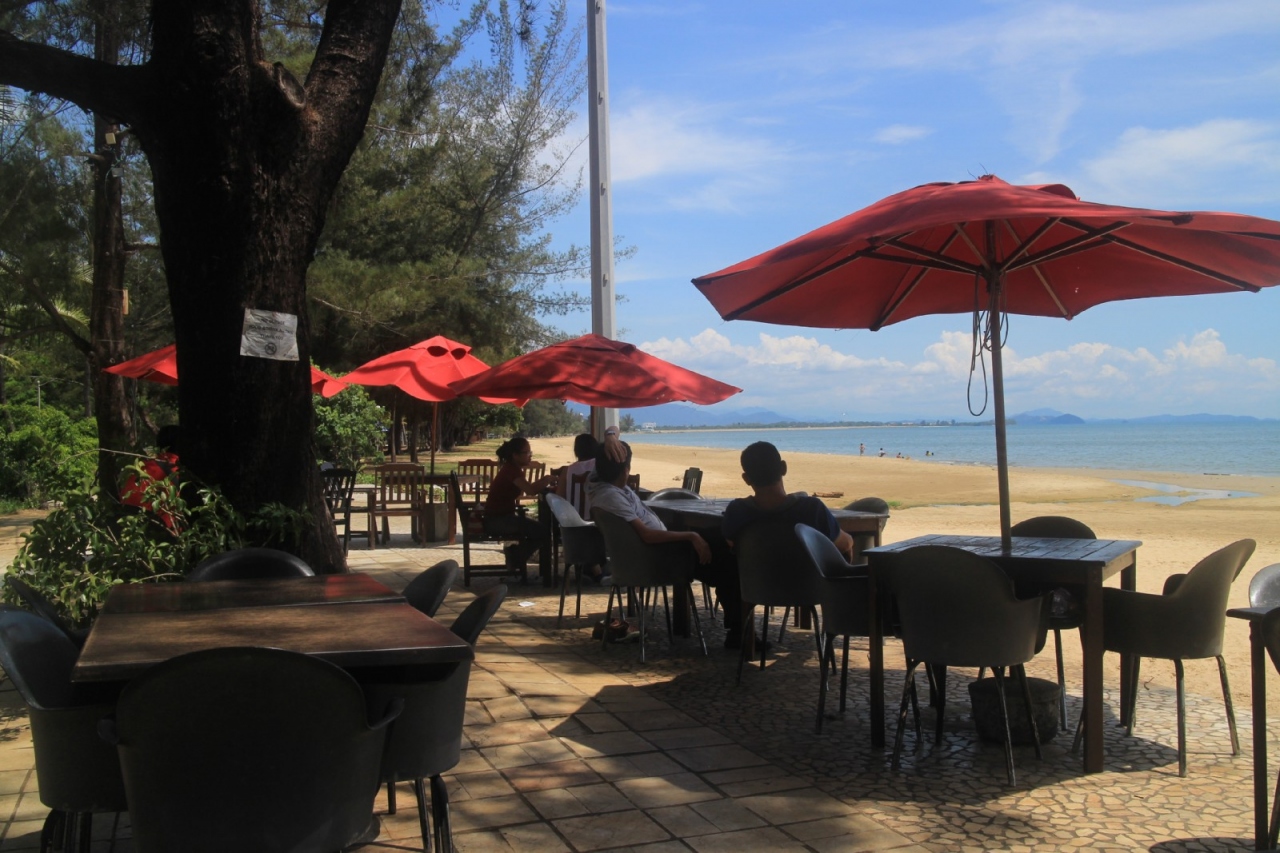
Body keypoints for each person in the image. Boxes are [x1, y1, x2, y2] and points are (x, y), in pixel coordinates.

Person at [587, 439, 743, 646]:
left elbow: (599, 467)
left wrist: (609, 438)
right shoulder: (610, 496)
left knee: (721, 543)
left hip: (657, 553)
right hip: (659, 559)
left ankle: (738, 627)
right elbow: (647, 535)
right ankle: (740, 631)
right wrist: (691, 536)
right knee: (727, 556)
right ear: (626, 469)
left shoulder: (598, 486)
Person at [722, 441, 855, 560]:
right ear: (783, 468)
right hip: (807, 580)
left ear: (746, 479)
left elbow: (731, 542)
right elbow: (844, 545)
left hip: (754, 580)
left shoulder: (736, 511)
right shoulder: (811, 509)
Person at [484, 436, 556, 580]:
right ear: (515, 455)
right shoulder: (512, 471)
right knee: (543, 531)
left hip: (502, 517)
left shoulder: (512, 469)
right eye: (527, 452)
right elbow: (530, 490)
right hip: (497, 520)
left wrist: (545, 480)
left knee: (539, 530)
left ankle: (515, 555)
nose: (530, 456)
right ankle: (515, 556)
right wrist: (547, 479)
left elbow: (529, 488)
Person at [555, 433, 599, 516]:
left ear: (577, 450)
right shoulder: (600, 467)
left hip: (573, 521)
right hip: (596, 521)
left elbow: (559, 497)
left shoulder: (567, 470)